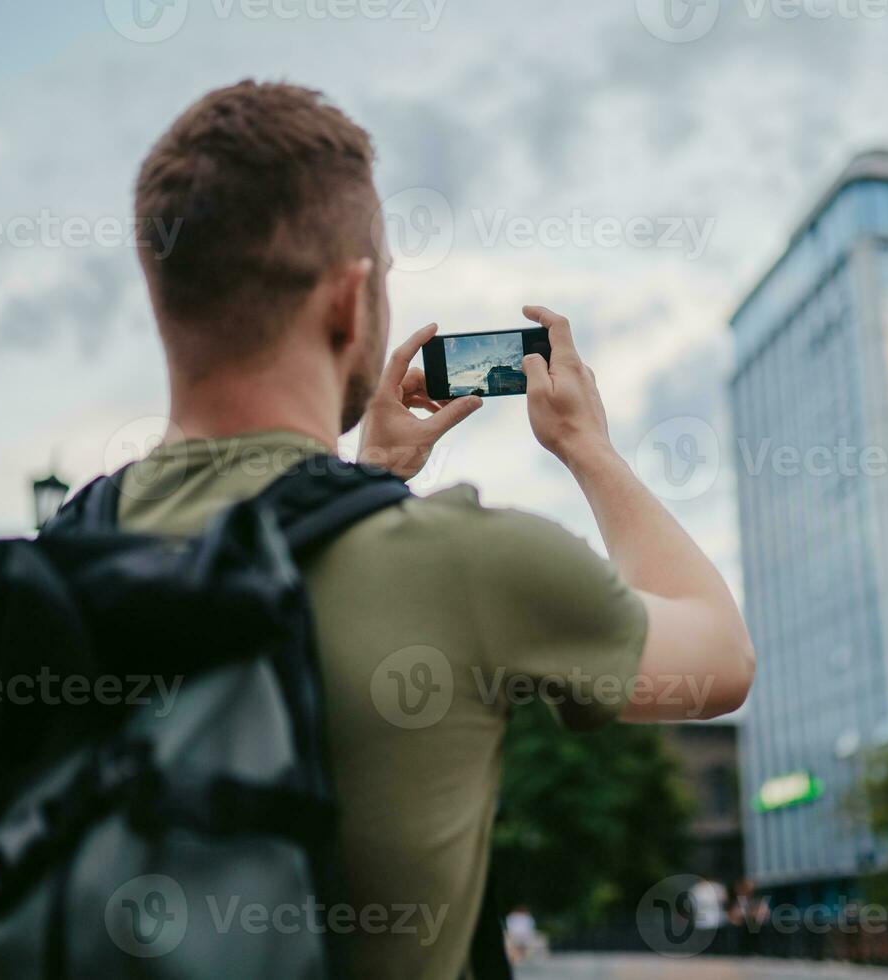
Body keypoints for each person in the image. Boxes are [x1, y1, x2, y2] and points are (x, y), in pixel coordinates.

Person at [116, 79, 756, 980]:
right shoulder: (469, 565)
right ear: (349, 304)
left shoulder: (72, 542)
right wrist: (587, 448)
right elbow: (720, 654)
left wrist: (359, 485)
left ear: (166, 300)